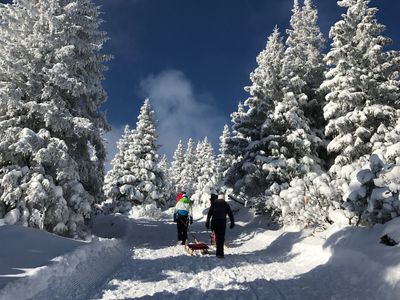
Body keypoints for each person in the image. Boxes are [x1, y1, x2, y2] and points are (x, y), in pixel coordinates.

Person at [206, 193, 234, 258]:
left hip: (214, 222)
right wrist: (232, 222)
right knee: (221, 237)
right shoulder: (225, 204)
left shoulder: (214, 203)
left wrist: (207, 222)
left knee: (217, 237)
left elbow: (210, 213)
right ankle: (220, 253)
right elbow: (230, 213)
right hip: (222, 222)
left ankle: (218, 253)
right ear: (224, 198)